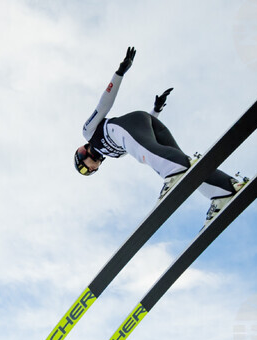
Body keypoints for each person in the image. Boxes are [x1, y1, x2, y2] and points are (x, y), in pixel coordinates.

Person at [74, 47, 246, 225]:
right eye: (90, 172)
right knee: (189, 168)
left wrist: (119, 73)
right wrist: (156, 109)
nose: (91, 170)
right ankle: (225, 191)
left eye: (85, 169)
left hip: (132, 121)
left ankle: (172, 172)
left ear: (81, 155)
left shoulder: (89, 132)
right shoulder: (117, 154)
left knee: (147, 156)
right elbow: (143, 136)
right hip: (149, 123)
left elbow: (104, 105)